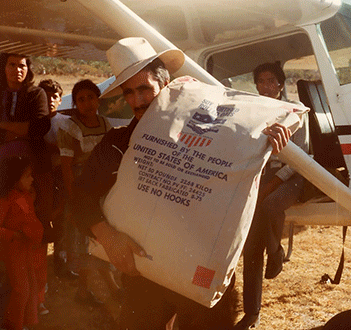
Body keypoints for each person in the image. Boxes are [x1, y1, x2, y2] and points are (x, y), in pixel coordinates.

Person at [73, 37, 292, 330]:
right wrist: (107, 236)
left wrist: (268, 141)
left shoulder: (213, 137)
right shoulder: (117, 143)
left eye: (144, 89)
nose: (137, 101)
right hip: (145, 279)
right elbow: (79, 198)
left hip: (201, 278)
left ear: (165, 87)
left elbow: (243, 153)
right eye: (129, 93)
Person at [234, 62, 310, 330]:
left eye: (271, 81)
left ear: (280, 85)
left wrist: (273, 182)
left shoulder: (297, 113)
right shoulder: (254, 112)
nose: (266, 86)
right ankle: (251, 313)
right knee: (252, 244)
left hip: (294, 176)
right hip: (262, 176)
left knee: (270, 204)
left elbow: (300, 159)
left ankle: (276, 252)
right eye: (261, 81)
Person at [0, 53, 52, 319]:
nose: (17, 70)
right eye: (12, 64)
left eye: (22, 65)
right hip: (2, 172)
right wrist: (20, 127)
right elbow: (28, 127)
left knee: (29, 226)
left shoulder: (36, 94)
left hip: (29, 171)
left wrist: (5, 126)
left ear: (28, 68)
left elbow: (39, 127)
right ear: (4, 66)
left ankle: (32, 300)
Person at [57, 79, 117, 307]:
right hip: (81, 189)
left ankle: (88, 291)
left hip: (102, 189)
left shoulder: (106, 124)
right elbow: (66, 166)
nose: (86, 103)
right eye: (80, 100)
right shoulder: (70, 127)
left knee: (99, 239)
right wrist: (74, 201)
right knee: (83, 241)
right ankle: (88, 290)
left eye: (90, 97)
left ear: (98, 99)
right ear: (75, 104)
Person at [0, 156, 44, 330]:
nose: (32, 179)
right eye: (27, 176)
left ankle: (19, 322)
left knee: (30, 285)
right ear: (14, 178)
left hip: (25, 249)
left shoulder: (25, 195)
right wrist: (14, 235)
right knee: (21, 289)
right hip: (12, 250)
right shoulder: (6, 199)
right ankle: (11, 325)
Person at [39, 79, 73, 280]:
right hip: (41, 176)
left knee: (62, 222)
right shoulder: (35, 122)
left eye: (54, 96)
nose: (50, 100)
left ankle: (61, 264)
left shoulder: (65, 122)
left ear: (60, 100)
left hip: (60, 176)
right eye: (45, 96)